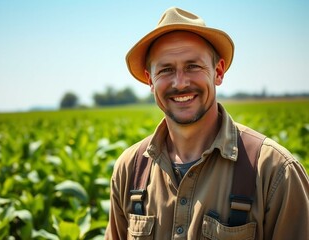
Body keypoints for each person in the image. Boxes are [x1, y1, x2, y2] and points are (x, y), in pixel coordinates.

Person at [105, 7, 309, 240]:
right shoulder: (129, 169)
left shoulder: (274, 170)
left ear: (218, 72)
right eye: (166, 70)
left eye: (193, 66)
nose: (180, 83)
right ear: (151, 81)